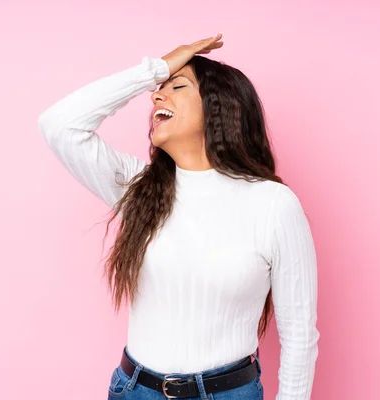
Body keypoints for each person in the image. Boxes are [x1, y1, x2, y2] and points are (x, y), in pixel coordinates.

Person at [37, 33, 320, 400]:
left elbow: (299, 336)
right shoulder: (139, 189)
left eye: (177, 86)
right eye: (159, 88)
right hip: (136, 391)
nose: (157, 95)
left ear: (219, 108)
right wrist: (158, 68)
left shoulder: (273, 205)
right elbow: (59, 125)